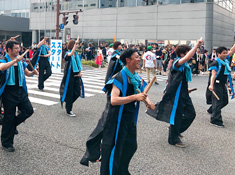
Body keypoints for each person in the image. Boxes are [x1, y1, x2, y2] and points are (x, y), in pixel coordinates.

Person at [80, 48, 155, 175]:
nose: (139, 59)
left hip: (129, 120)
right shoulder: (119, 77)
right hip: (116, 121)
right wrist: (135, 97)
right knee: (113, 151)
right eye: (136, 57)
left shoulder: (136, 78)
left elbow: (142, 94)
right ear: (128, 60)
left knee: (130, 146)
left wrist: (148, 102)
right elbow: (114, 100)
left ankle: (121, 171)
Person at [146, 38, 203, 148]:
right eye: (188, 52)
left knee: (191, 114)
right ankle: (173, 138)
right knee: (176, 115)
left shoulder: (184, 66)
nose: (190, 55)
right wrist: (196, 45)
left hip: (183, 94)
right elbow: (186, 58)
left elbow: (179, 80)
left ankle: (175, 130)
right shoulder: (177, 63)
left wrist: (186, 89)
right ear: (182, 54)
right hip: (175, 95)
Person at [0, 41, 38, 152]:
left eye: (19, 48)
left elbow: (26, 73)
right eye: (16, 48)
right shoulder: (4, 59)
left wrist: (33, 73)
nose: (18, 50)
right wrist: (15, 60)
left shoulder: (20, 61)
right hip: (9, 92)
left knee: (29, 110)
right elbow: (2, 68)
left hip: (20, 91)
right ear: (9, 49)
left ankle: (11, 125)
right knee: (9, 116)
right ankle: (7, 143)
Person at [206, 45, 235, 127]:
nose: (226, 54)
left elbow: (232, 51)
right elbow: (213, 75)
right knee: (218, 102)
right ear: (218, 54)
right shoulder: (215, 63)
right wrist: (211, 85)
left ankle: (212, 109)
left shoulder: (225, 61)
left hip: (222, 84)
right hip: (216, 84)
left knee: (225, 101)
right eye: (224, 53)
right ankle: (215, 120)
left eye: (226, 53)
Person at [59, 36, 85, 117]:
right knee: (70, 93)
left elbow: (78, 64)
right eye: (75, 45)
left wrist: (80, 72)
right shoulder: (67, 53)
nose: (77, 46)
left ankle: (68, 103)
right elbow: (70, 54)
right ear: (72, 45)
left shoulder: (76, 54)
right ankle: (69, 109)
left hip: (77, 75)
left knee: (77, 92)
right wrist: (76, 43)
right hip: (69, 77)